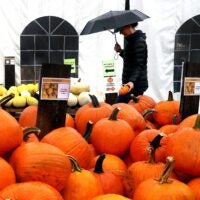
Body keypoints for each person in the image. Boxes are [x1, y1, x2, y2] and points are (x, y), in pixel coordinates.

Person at [114, 22, 148, 103]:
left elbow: (139, 65)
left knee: (119, 107)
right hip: (129, 84)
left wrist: (131, 81)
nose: (120, 32)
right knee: (124, 110)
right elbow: (130, 59)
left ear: (128, 26)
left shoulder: (139, 42)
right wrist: (120, 51)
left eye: (121, 29)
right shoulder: (132, 41)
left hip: (135, 85)